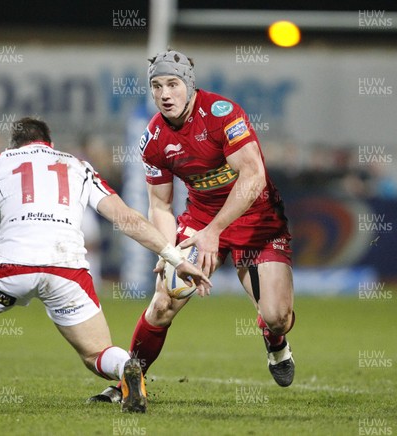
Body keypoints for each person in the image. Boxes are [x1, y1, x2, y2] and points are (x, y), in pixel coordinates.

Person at [0, 117, 211, 414]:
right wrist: (176, 257)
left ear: (15, 144)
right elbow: (126, 218)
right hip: (67, 272)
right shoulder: (78, 165)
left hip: (10, 268)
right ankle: (125, 367)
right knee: (96, 354)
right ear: (50, 143)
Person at [89, 50, 296, 404]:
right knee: (163, 303)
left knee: (277, 317)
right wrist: (169, 251)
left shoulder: (223, 115)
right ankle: (129, 380)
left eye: (172, 84)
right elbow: (160, 205)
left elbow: (254, 177)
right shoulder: (153, 139)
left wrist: (216, 230)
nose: (165, 94)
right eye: (156, 86)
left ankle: (274, 340)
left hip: (257, 220)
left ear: (189, 85)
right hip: (200, 222)